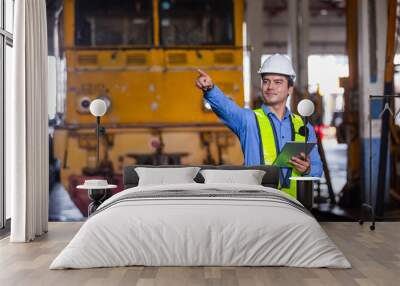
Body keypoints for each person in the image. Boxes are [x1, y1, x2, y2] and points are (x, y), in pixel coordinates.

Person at [195, 53, 323, 198]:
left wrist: (307, 169)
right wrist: (210, 89)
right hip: (259, 203)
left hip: (295, 206)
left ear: (290, 89)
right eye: (266, 81)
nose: (270, 87)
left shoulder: (304, 127)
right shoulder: (248, 120)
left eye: (278, 82)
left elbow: (318, 169)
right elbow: (225, 108)